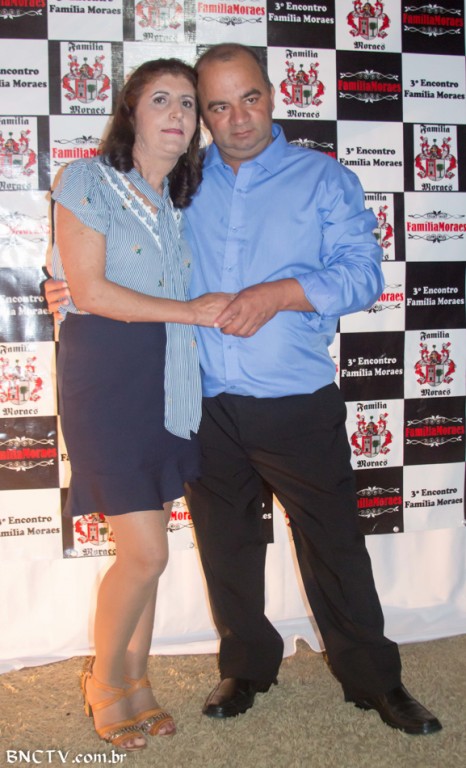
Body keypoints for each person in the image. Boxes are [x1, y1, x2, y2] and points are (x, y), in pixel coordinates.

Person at [46, 44, 442, 736]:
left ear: (272, 94)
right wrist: (67, 288)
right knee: (226, 545)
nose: (236, 118)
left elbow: (363, 275)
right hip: (201, 399)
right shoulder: (184, 181)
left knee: (334, 544)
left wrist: (281, 293)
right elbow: (122, 259)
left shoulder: (324, 179)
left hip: (294, 395)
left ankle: (376, 680)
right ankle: (246, 668)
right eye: (218, 106)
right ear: (205, 116)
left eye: (248, 99)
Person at [49, 57, 232, 751]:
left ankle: (136, 680)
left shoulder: (180, 206)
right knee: (147, 555)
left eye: (188, 104)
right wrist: (189, 310)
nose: (178, 115)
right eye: (162, 100)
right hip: (108, 379)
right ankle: (104, 682)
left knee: (147, 550)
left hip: (170, 382)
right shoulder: (87, 180)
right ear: (131, 113)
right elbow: (89, 291)